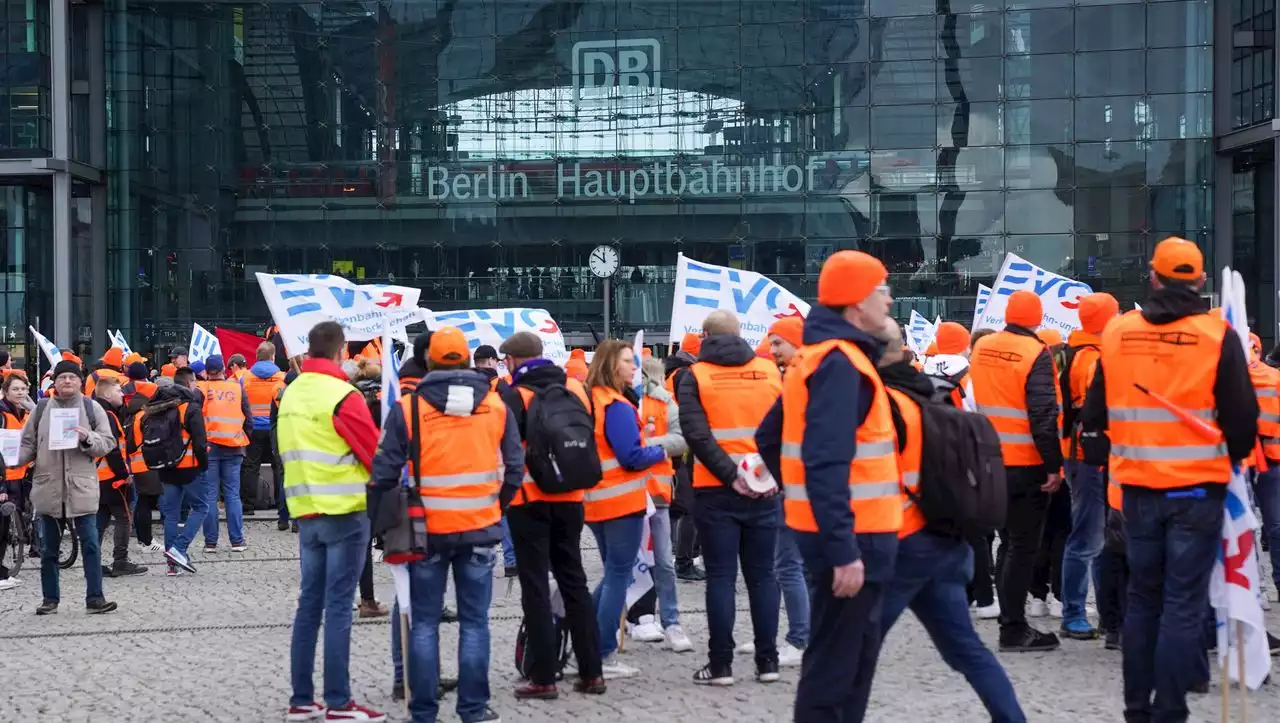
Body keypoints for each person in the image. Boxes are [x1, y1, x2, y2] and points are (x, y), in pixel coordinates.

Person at [1081, 237, 1259, 723]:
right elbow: (1243, 418)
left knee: (1143, 598)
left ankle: (1137, 708)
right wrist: (1236, 458)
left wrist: (1103, 454)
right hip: (1198, 490)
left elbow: (1093, 413)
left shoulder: (1117, 332)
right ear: (1199, 281)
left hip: (1137, 488)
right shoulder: (1217, 335)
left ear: (1153, 278)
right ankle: (1171, 709)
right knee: (1184, 602)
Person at [755, 250, 901, 722]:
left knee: (845, 661)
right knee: (838, 668)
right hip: (855, 536)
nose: (890, 301)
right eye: (883, 290)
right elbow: (825, 459)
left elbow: (770, 438)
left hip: (837, 530)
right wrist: (842, 547)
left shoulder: (818, 358)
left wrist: (800, 500)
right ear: (857, 302)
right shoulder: (841, 363)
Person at [875, 317, 1027, 723]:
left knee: (852, 651)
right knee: (966, 648)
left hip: (904, 542)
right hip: (947, 538)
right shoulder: (932, 391)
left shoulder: (882, 403)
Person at [371, 326, 518, 723]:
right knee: (475, 623)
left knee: (423, 624)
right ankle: (472, 709)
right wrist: (495, 506)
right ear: (470, 361)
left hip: (426, 532)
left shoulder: (408, 408)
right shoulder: (495, 405)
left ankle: (423, 711)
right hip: (481, 528)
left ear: (430, 361)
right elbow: (516, 468)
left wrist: (381, 523)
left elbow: (382, 473)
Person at [277, 321, 385, 723]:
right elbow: (373, 455)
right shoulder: (343, 394)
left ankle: (301, 700)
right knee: (339, 607)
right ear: (342, 351)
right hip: (345, 511)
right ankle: (339, 702)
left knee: (309, 605)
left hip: (306, 512)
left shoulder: (292, 392)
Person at [498, 331, 606, 700]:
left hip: (529, 500)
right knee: (575, 581)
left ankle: (542, 676)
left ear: (512, 360)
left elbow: (505, 446)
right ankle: (592, 672)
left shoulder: (514, 395)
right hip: (572, 496)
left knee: (536, 587)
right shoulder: (576, 388)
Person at [678, 309, 784, 686]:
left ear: (705, 337)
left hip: (715, 490)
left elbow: (696, 434)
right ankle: (767, 661)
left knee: (721, 578)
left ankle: (721, 665)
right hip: (764, 488)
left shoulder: (695, 376)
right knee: (762, 577)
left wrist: (730, 475)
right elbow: (787, 429)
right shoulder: (771, 371)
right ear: (740, 335)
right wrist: (772, 476)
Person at [968, 289, 1064, 652]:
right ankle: (1013, 627)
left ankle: (1010, 620)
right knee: (1023, 547)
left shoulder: (983, 346)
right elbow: (1042, 415)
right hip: (1025, 464)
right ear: (1037, 319)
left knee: (1007, 542)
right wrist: (1053, 465)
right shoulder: (1035, 352)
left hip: (989, 460)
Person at [586, 339, 670, 679]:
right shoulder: (617, 405)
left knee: (612, 575)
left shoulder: (591, 398)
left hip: (597, 501)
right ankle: (601, 652)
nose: (634, 367)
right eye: (627, 362)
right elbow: (631, 456)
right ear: (610, 365)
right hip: (621, 502)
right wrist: (660, 451)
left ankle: (581, 635)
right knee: (618, 577)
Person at [18, 359, 120, 615]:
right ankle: (50, 599)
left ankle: (95, 598)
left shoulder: (91, 407)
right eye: (62, 377)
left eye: (72, 377)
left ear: (79, 381)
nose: (67, 381)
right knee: (49, 550)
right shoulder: (41, 409)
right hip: (48, 489)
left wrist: (88, 437)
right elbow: (27, 445)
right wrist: (9, 458)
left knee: (91, 546)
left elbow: (108, 443)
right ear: (55, 381)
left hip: (81, 489)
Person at [1056, 292, 1119, 639]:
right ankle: (1074, 614)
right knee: (1089, 538)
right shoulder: (1093, 360)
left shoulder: (1073, 351)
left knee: (1098, 537)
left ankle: (1100, 613)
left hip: (1079, 453)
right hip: (1090, 457)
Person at [627, 356, 693, 652]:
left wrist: (647, 445)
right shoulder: (613, 400)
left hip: (657, 495)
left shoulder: (664, 402)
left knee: (663, 562)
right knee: (626, 564)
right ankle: (633, 618)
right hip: (624, 496)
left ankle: (671, 622)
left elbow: (682, 440)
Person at [762, 316, 810, 666]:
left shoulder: (799, 376)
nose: (772, 349)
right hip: (800, 485)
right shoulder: (800, 374)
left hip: (797, 487)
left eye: (778, 342)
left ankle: (798, 639)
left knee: (787, 566)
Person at [150, 368, 211, 575]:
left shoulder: (159, 407)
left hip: (165, 467)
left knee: (171, 515)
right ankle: (179, 548)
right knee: (201, 507)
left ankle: (172, 565)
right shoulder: (191, 408)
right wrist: (203, 465)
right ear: (189, 383)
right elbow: (200, 442)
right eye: (194, 382)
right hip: (189, 467)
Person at [91, 376, 146, 578]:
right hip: (113, 477)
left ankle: (93, 561)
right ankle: (120, 561)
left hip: (98, 476)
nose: (122, 394)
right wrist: (125, 474)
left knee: (100, 520)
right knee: (123, 518)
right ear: (107, 394)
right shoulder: (108, 416)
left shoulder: (94, 413)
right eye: (118, 391)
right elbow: (112, 449)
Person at [199, 354, 253, 553]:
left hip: (209, 448)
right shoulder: (236, 387)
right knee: (232, 494)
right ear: (223, 369)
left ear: (206, 371)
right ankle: (237, 541)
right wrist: (244, 437)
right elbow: (249, 417)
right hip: (234, 446)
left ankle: (210, 543)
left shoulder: (201, 389)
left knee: (210, 495)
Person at [350, 359, 390, 620]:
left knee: (357, 542)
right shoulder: (385, 401)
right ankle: (367, 599)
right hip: (379, 473)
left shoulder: (349, 398)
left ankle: (357, 597)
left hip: (353, 475)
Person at [664, 331, 704, 581]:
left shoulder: (672, 372)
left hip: (674, 447)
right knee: (688, 507)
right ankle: (683, 561)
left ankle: (678, 555)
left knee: (676, 507)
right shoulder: (686, 375)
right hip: (685, 448)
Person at [120, 362, 163, 552]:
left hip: (136, 462)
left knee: (142, 502)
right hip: (147, 462)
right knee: (145, 503)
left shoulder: (129, 404)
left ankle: (142, 539)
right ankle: (145, 541)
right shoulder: (146, 411)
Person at [242, 342, 286, 515]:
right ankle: (278, 503)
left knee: (251, 465)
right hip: (275, 427)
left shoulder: (245, 378)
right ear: (273, 356)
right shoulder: (282, 377)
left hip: (253, 428)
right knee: (278, 465)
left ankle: (248, 505)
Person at [0, 374, 31, 589]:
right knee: (1, 528)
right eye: (15, 389)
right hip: (4, 477)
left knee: (7, 527)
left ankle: (2, 572)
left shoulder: (25, 414)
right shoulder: (2, 413)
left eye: (23, 389)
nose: (20, 392)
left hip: (19, 475)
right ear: (6, 391)